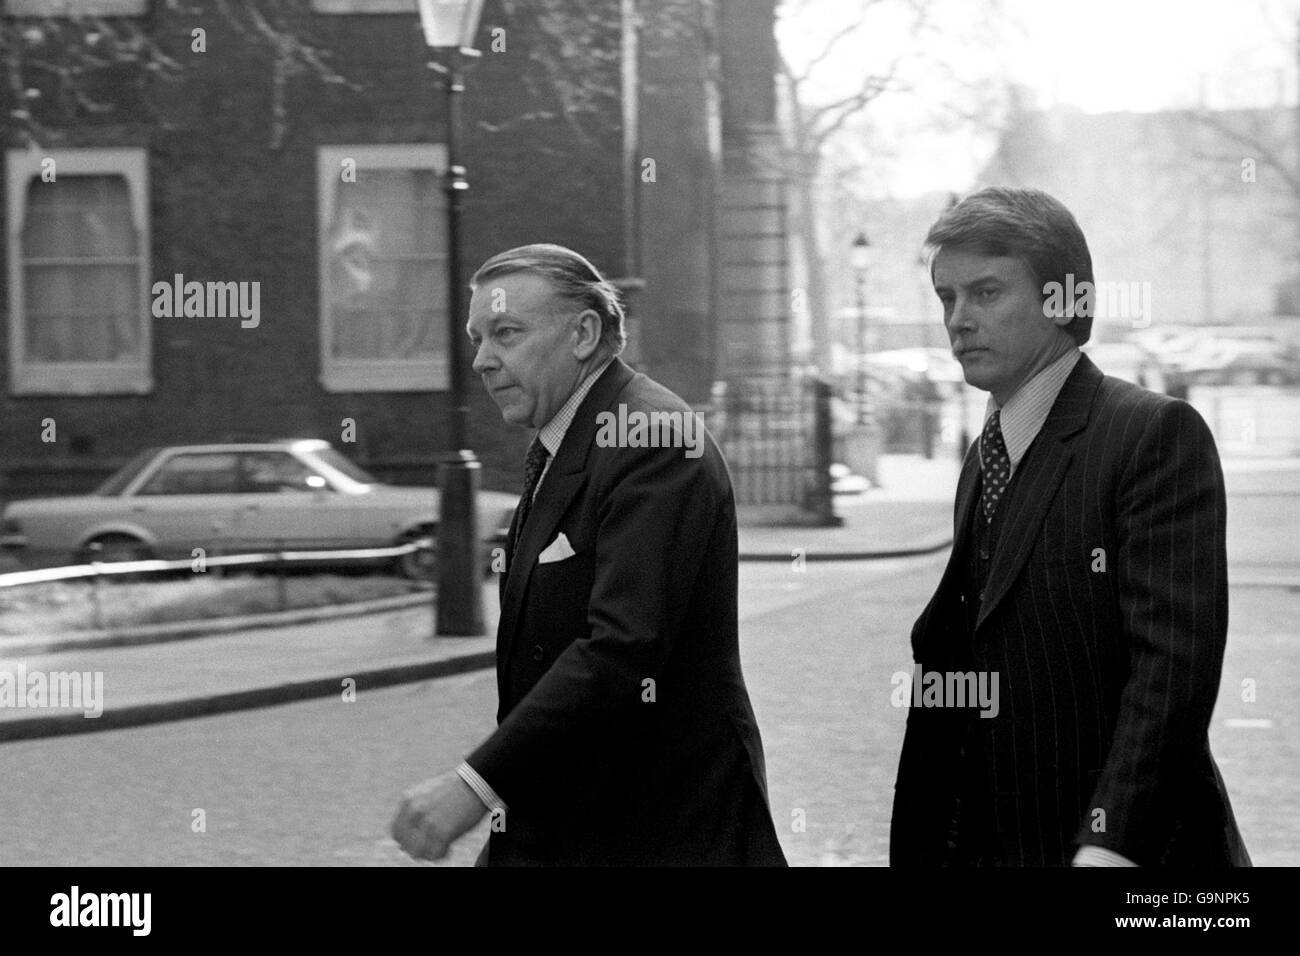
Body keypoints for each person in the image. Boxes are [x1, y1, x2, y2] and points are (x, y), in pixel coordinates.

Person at [390, 243, 787, 866]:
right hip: (571, 828)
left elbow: (622, 649)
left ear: (583, 333)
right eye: (477, 338)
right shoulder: (564, 440)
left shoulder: (653, 437)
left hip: (660, 834)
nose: (483, 360)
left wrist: (474, 787)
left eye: (506, 333)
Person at [890, 187, 1251, 867]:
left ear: (1064, 300)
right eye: (947, 299)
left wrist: (1111, 843)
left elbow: (1172, 669)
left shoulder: (1151, 435)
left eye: (986, 292)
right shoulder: (985, 457)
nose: (958, 320)